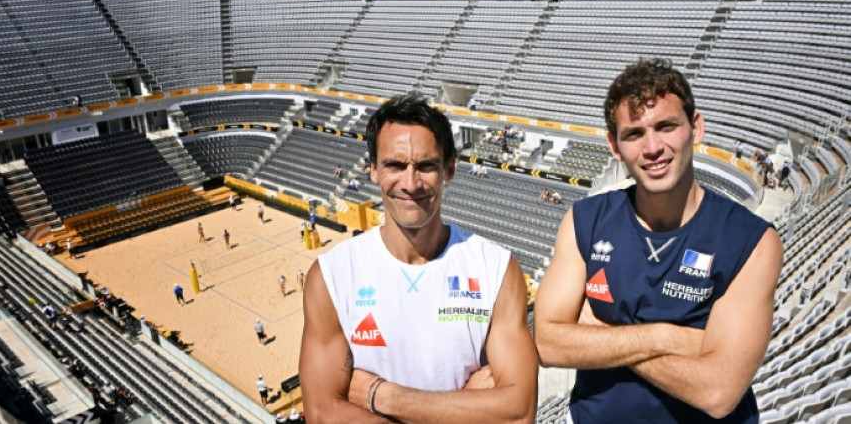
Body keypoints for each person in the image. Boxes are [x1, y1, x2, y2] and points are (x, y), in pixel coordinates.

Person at [535, 59, 783, 423]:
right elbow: (547, 342)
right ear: (614, 146)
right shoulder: (585, 220)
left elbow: (717, 391)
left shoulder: (751, 241)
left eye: (666, 126)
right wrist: (669, 338)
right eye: (634, 134)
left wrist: (602, 332)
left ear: (695, 128)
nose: (652, 147)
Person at [298, 92, 537, 423]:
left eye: (426, 166)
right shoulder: (331, 276)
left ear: (449, 169)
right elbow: (323, 414)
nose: (410, 183)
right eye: (395, 165)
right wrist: (466, 407)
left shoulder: (496, 269)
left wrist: (382, 395)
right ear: (373, 171)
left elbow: (518, 414)